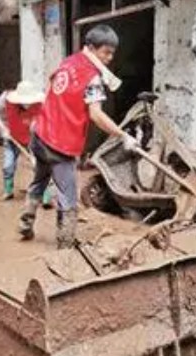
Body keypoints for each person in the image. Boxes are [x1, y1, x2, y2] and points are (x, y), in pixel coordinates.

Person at [18, 24, 137, 249]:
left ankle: (25, 225)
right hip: (60, 145)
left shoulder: (68, 62)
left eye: (113, 53)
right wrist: (123, 136)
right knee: (69, 196)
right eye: (106, 52)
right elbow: (97, 115)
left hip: (41, 133)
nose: (110, 58)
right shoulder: (92, 78)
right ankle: (66, 245)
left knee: (38, 181)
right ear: (91, 48)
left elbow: (53, 89)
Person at [0, 80, 51, 205]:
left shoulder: (42, 102)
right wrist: (3, 127)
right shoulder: (6, 98)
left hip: (32, 138)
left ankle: (45, 195)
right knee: (8, 165)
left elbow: (48, 119)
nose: (27, 104)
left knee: (39, 166)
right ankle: (8, 191)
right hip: (11, 138)